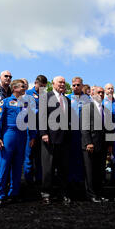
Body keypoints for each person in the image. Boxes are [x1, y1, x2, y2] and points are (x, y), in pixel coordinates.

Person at [0, 79, 36, 207]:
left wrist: (33, 136)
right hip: (9, 134)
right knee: (4, 165)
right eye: (23, 87)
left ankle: (14, 193)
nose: (25, 88)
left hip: (22, 135)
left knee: (18, 166)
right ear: (15, 88)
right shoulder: (5, 102)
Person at [39, 76, 72, 205]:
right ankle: (46, 193)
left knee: (63, 168)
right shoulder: (45, 97)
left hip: (64, 139)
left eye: (64, 82)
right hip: (49, 138)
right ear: (53, 84)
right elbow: (41, 117)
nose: (62, 84)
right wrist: (43, 133)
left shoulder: (67, 100)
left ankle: (63, 193)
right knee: (48, 168)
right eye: (60, 82)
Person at [80, 86, 111, 203]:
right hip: (90, 145)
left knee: (100, 172)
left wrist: (109, 145)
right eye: (99, 92)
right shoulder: (87, 108)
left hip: (102, 146)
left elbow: (108, 129)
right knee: (90, 172)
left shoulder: (105, 109)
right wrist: (88, 142)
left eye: (102, 93)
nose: (101, 94)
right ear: (92, 94)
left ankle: (99, 194)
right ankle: (91, 195)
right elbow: (84, 127)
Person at [23, 75, 47, 186]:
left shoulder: (45, 96)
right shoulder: (27, 94)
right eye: (40, 86)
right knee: (28, 157)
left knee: (40, 158)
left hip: (41, 130)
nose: (42, 88)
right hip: (29, 129)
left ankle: (39, 180)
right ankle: (28, 181)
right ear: (35, 83)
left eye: (44, 87)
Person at [67, 76, 88, 192]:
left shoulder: (88, 99)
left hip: (84, 134)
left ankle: (80, 183)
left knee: (82, 159)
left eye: (78, 85)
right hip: (71, 133)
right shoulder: (67, 98)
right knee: (71, 158)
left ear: (82, 86)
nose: (76, 87)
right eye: (74, 85)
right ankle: (70, 182)